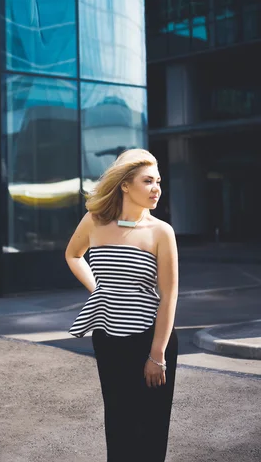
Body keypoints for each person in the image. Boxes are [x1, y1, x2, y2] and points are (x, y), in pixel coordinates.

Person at [65, 149, 179, 462]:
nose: (156, 188)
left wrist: (157, 355)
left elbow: (169, 295)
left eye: (158, 181)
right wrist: (99, 290)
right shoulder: (94, 221)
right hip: (109, 337)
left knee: (151, 430)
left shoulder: (161, 232)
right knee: (118, 424)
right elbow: (73, 255)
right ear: (125, 185)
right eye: (148, 181)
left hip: (151, 339)